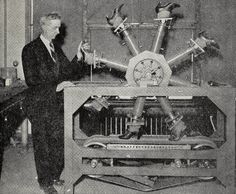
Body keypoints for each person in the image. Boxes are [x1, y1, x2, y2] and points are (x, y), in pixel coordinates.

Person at [21, 12, 93, 194]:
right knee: (43, 144)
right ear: (44, 27)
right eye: (55, 27)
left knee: (59, 141)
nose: (58, 31)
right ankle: (45, 183)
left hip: (55, 103)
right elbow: (32, 80)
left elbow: (68, 71)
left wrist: (79, 56)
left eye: (59, 27)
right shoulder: (30, 50)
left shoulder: (55, 49)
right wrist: (57, 86)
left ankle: (54, 176)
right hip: (39, 103)